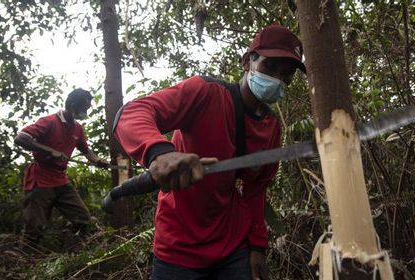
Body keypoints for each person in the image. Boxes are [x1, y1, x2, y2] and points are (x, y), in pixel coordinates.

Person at [114, 25, 306, 280]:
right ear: (248, 62)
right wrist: (159, 152)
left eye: (286, 76)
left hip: (233, 250)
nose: (276, 80)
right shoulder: (205, 93)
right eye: (270, 67)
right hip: (178, 249)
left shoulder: (271, 127)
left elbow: (256, 189)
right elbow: (132, 113)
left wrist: (258, 246)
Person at [14, 88, 109, 245]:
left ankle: (81, 249)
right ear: (72, 105)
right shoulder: (49, 122)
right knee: (34, 226)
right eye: (84, 108)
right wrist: (51, 151)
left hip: (61, 180)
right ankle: (26, 258)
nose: (85, 112)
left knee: (83, 218)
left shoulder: (77, 128)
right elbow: (21, 138)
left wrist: (97, 161)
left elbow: (86, 151)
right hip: (41, 179)